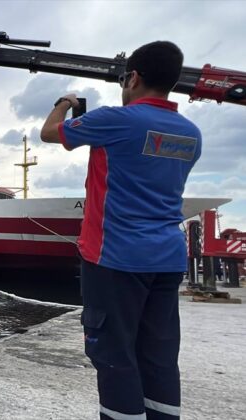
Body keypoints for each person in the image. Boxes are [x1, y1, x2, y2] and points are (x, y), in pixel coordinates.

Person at [40, 41, 200, 420]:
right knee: (158, 356)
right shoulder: (191, 134)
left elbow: (50, 133)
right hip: (167, 260)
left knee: (114, 356)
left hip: (114, 257)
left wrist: (64, 103)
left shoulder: (117, 119)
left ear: (134, 77)